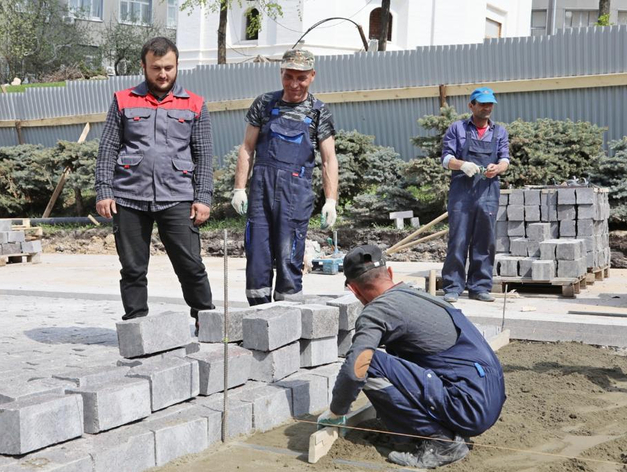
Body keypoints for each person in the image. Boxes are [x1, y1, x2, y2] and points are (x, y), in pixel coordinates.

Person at [317, 245, 506, 469]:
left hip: (468, 404)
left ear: (354, 291)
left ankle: (441, 443)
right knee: (395, 357)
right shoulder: (420, 296)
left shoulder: (378, 311)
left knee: (370, 363)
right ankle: (413, 427)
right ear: (390, 273)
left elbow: (355, 368)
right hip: (488, 394)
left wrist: (336, 411)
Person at [95, 37, 215, 330]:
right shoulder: (123, 100)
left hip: (178, 197)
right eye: (156, 68)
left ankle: (208, 321)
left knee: (191, 266)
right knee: (133, 269)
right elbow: (108, 148)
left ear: (177, 66)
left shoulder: (195, 104)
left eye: (169, 68)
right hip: (128, 197)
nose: (163, 74)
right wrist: (104, 191)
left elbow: (204, 153)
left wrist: (203, 198)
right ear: (143, 67)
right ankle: (136, 326)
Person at [231, 49, 339, 306]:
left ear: (312, 76)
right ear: (281, 73)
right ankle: (258, 313)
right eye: (288, 76)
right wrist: (239, 188)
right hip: (261, 190)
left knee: (290, 252)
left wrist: (330, 200)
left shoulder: (318, 111)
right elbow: (247, 147)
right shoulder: (264, 104)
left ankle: (287, 314)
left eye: (301, 78)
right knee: (257, 252)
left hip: (296, 191)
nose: (294, 84)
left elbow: (328, 159)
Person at [440, 87, 510, 303]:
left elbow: (505, 159)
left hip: (487, 192)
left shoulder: (499, 132)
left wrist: (497, 168)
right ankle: (452, 286)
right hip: (462, 193)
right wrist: (462, 164)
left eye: (490, 104)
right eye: (482, 104)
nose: (487, 108)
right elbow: (445, 159)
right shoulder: (457, 129)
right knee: (458, 239)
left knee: (485, 241)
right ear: (471, 106)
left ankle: (480, 287)